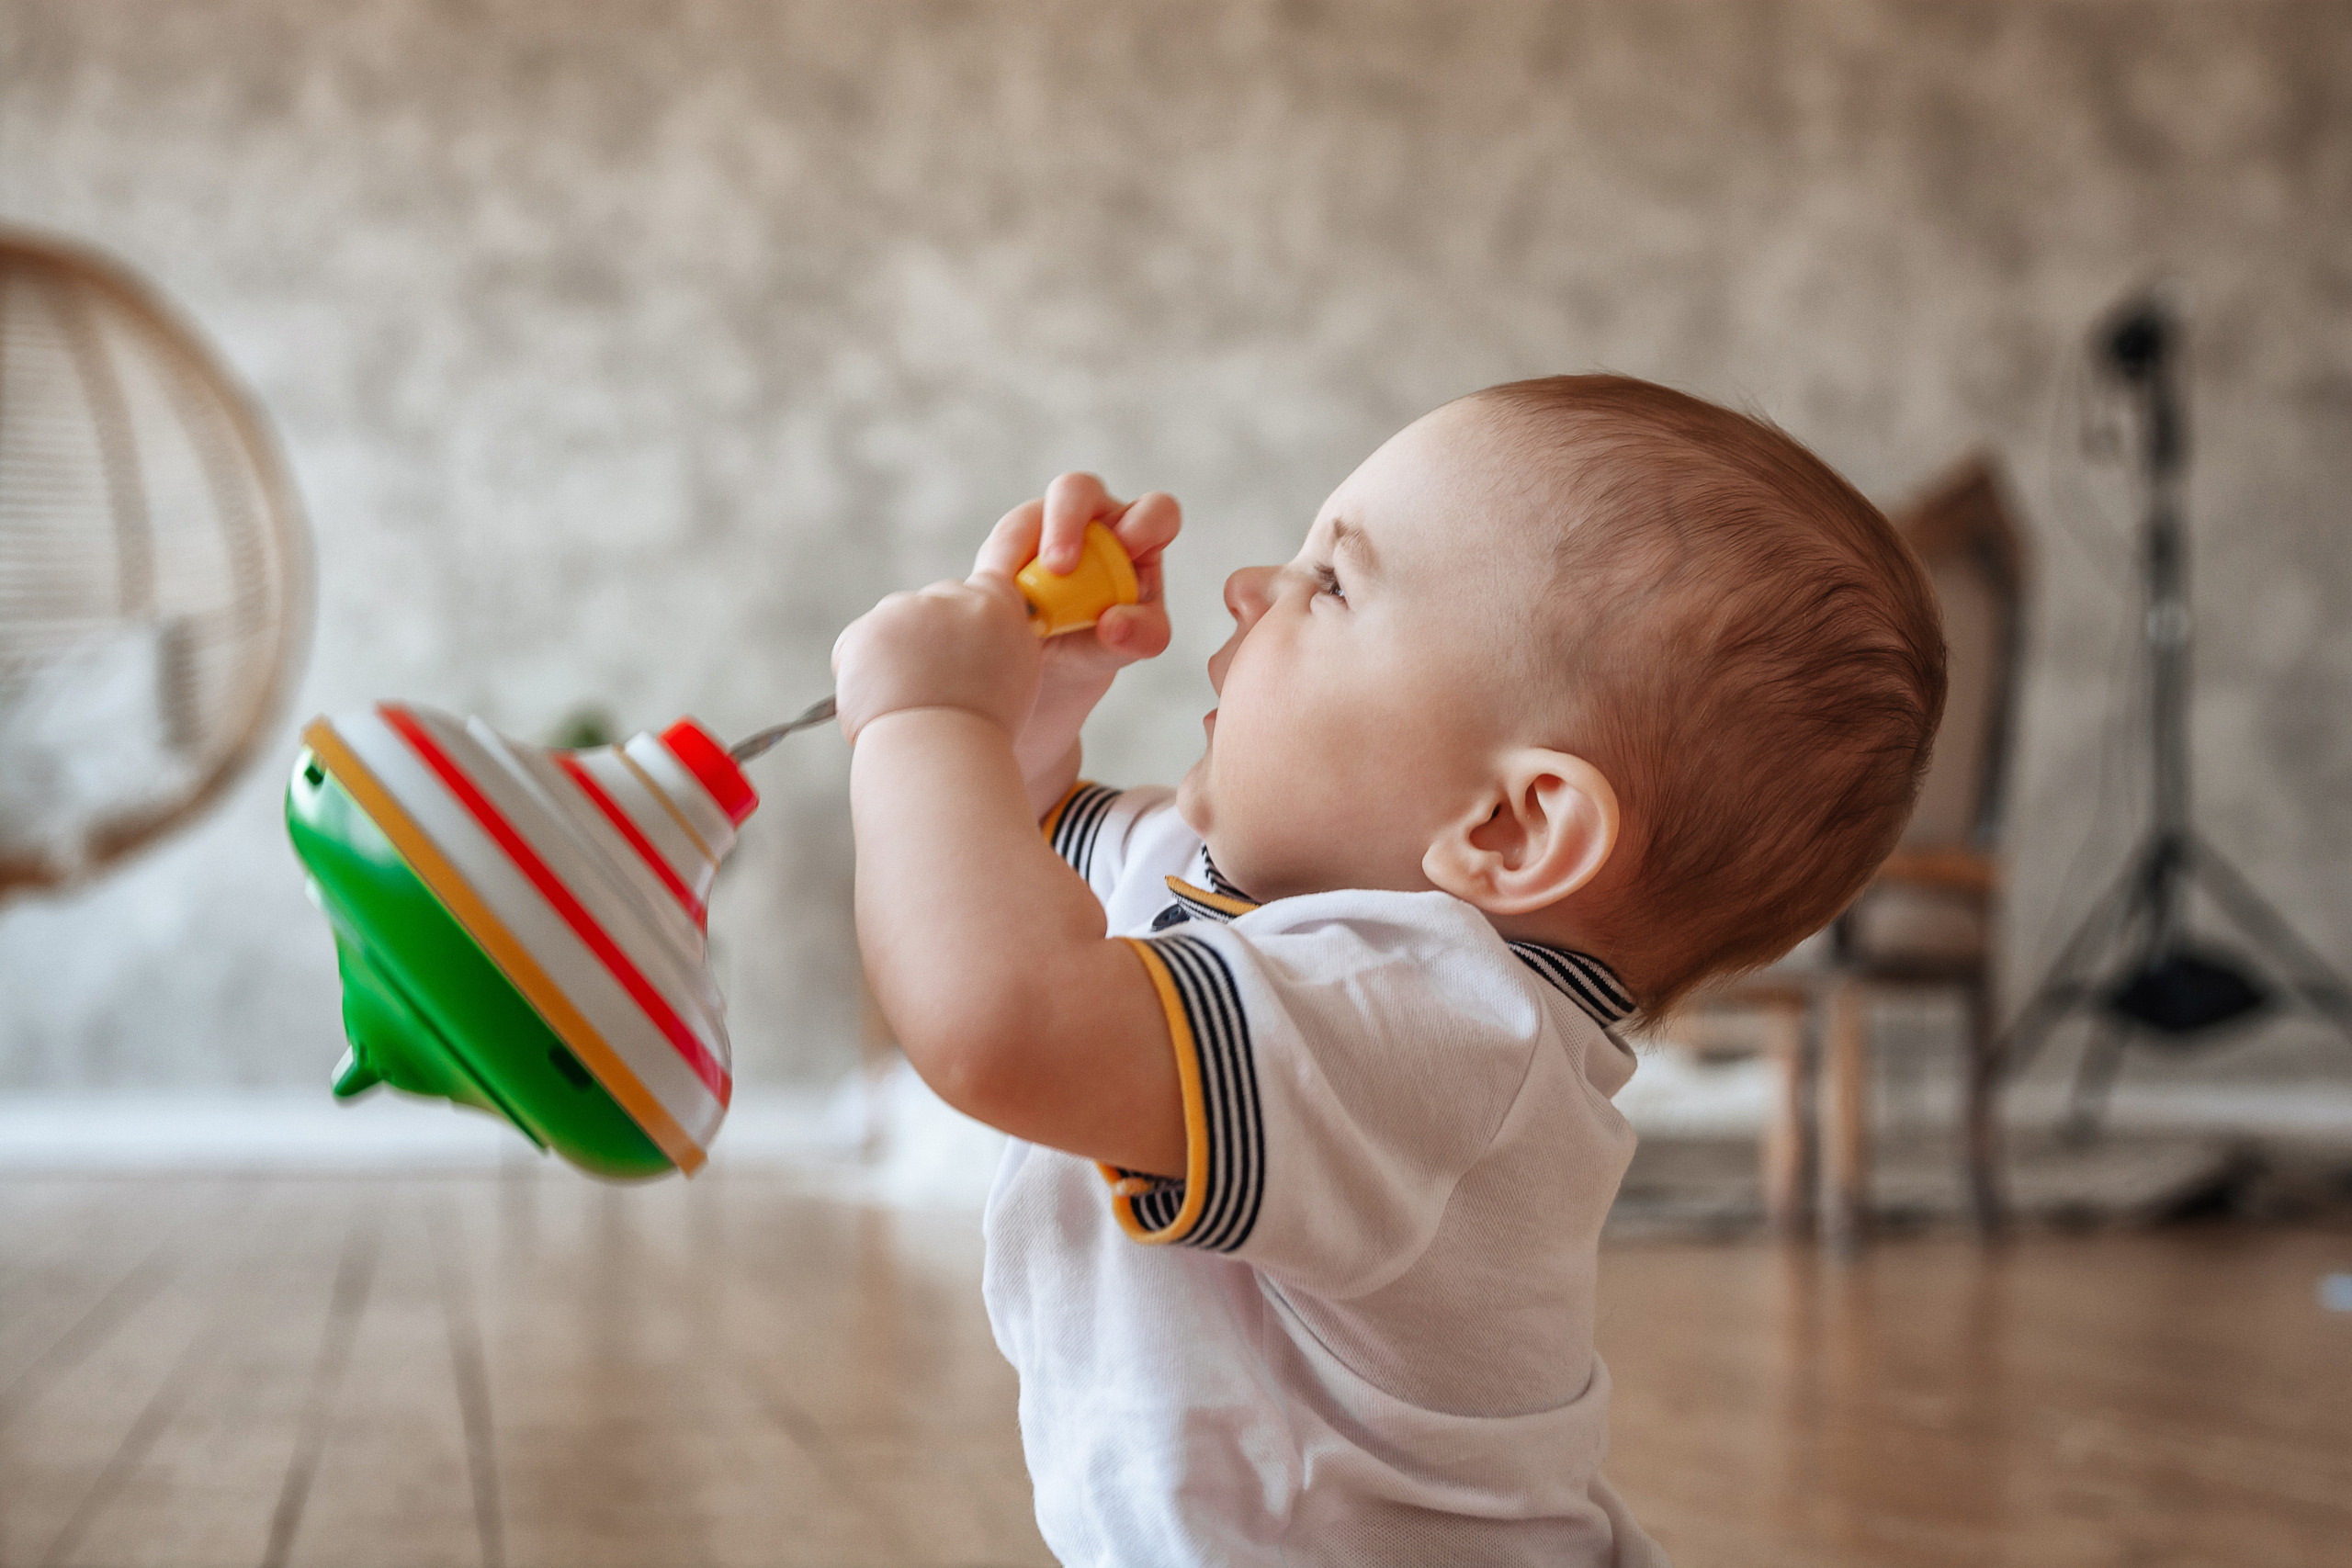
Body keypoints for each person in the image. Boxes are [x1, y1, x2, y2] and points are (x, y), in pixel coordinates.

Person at [831, 374, 1947, 1566]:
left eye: (1331, 582)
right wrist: (1023, 719)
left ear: (1510, 827)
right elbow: (1002, 876)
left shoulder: (1432, 1027)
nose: (1251, 589)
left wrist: (924, 723)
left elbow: (1001, 1020)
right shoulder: (1233, 890)